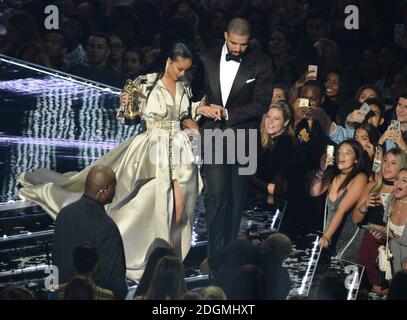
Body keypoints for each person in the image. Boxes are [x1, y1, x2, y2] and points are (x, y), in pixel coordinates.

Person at [18, 41, 216, 280]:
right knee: (151, 204)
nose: (183, 74)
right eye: (179, 68)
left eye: (186, 70)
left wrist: (199, 110)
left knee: (181, 210)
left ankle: (170, 255)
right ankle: (157, 256)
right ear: (168, 62)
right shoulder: (145, 83)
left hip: (180, 149)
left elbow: (184, 113)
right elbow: (128, 119)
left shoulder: (184, 85)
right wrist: (126, 104)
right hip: (153, 148)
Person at [196, 18, 273, 263]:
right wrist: (202, 108)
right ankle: (214, 257)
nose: (238, 49)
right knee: (216, 195)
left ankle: (228, 257)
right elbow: (194, 93)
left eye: (243, 44)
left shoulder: (261, 62)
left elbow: (261, 103)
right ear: (226, 35)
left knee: (237, 199)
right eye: (234, 43)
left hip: (244, 137)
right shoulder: (205, 57)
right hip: (213, 134)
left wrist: (228, 113)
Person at [50, 165, 127, 299]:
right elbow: (115, 279)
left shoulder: (63, 214)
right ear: (106, 190)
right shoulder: (106, 226)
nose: (115, 191)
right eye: (114, 187)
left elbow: (56, 259)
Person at [353, 149, 407, 293]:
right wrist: (365, 206)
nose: (386, 166)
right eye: (385, 161)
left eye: (393, 163)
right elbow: (356, 219)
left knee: (381, 290)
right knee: (361, 288)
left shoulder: (400, 194)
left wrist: (384, 232)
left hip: (389, 249)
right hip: (367, 244)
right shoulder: (372, 186)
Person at [311, 140, 368, 262]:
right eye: (339, 152)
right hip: (328, 240)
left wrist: (326, 236)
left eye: (347, 153)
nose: (341, 156)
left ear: (356, 159)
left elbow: (341, 210)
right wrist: (321, 170)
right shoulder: (332, 175)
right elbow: (314, 192)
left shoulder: (360, 178)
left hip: (347, 244)